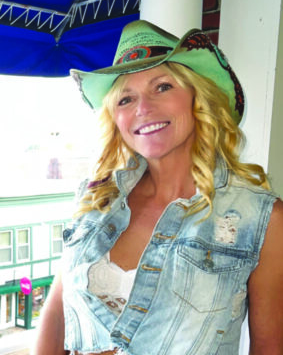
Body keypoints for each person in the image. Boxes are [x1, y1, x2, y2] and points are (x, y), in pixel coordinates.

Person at [32, 20, 283, 355]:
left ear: (198, 97)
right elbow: (56, 317)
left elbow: (269, 346)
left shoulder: (262, 220)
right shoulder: (95, 199)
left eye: (162, 87)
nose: (143, 109)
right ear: (115, 118)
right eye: (125, 99)